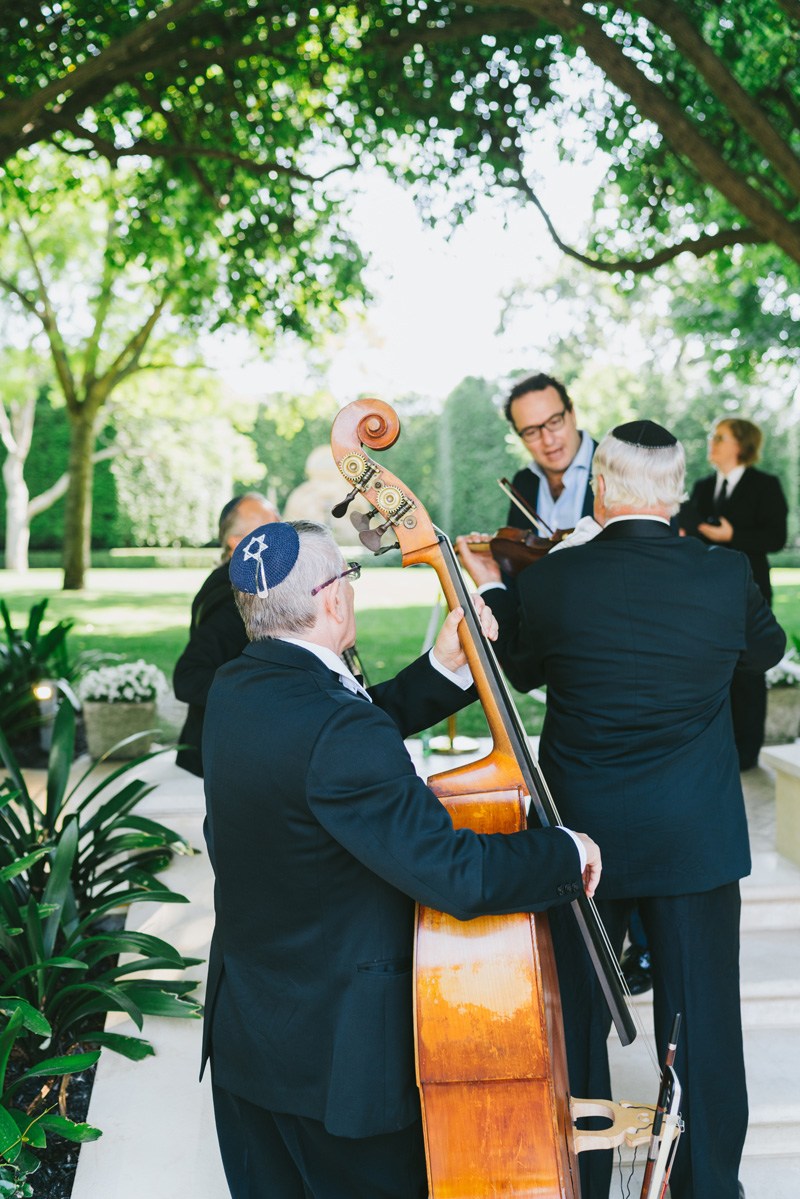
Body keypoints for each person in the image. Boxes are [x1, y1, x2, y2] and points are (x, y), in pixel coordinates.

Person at [200, 519, 602, 1199]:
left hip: (254, 1042)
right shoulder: (336, 728)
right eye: (348, 579)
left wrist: (444, 668)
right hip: (340, 1066)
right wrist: (564, 849)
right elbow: (455, 874)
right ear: (333, 601)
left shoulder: (237, 690)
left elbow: (335, 748)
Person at [457, 420, 786, 1199]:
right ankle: (709, 1187)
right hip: (696, 836)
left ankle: (580, 1184)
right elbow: (765, 651)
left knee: (575, 1028)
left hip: (582, 844)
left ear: (601, 486)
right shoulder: (724, 573)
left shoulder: (554, 581)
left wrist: (504, 584)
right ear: (675, 492)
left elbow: (522, 669)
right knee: (703, 1022)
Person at [679, 417, 788, 771]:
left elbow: (775, 538)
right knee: (710, 667)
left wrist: (731, 537)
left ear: (740, 444)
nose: (711, 441)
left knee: (749, 670)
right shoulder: (702, 485)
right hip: (704, 591)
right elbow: (693, 532)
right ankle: (716, 747)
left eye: (719, 436)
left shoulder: (766, 486)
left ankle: (747, 753)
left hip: (749, 589)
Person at [173, 492, 279, 776]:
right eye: (269, 526)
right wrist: (265, 694)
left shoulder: (249, 583)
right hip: (232, 754)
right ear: (237, 542)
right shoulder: (232, 598)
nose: (282, 533)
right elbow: (188, 677)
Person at [502, 372, 596, 534]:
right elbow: (519, 558)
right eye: (531, 432)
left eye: (554, 422)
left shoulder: (617, 468)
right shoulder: (522, 483)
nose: (548, 441)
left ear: (572, 413)